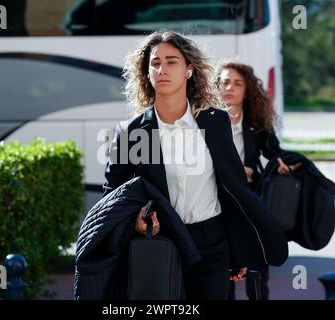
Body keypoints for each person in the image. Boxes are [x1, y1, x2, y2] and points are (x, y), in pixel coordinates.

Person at [102, 31, 288, 300]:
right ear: (147, 71)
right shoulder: (133, 132)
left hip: (211, 245)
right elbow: (113, 196)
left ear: (189, 69)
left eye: (171, 61)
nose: (162, 69)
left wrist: (239, 250)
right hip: (160, 243)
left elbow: (232, 189)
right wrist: (135, 222)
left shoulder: (215, 122)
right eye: (155, 63)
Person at [216, 60, 301, 300]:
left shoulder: (254, 123)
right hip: (216, 204)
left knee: (256, 272)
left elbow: (274, 152)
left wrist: (285, 164)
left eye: (237, 83)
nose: (229, 87)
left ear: (247, 90)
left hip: (251, 203)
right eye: (224, 82)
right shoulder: (205, 121)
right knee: (223, 274)